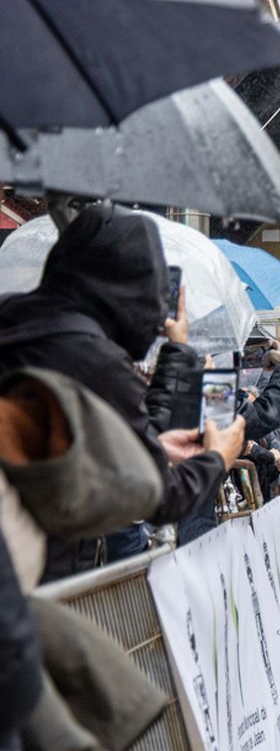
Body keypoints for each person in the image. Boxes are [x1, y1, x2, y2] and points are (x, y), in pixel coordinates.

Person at [0, 203, 244, 572]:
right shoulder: (92, 356)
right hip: (37, 574)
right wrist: (217, 459)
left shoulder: (15, 318)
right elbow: (157, 497)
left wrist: (154, 449)